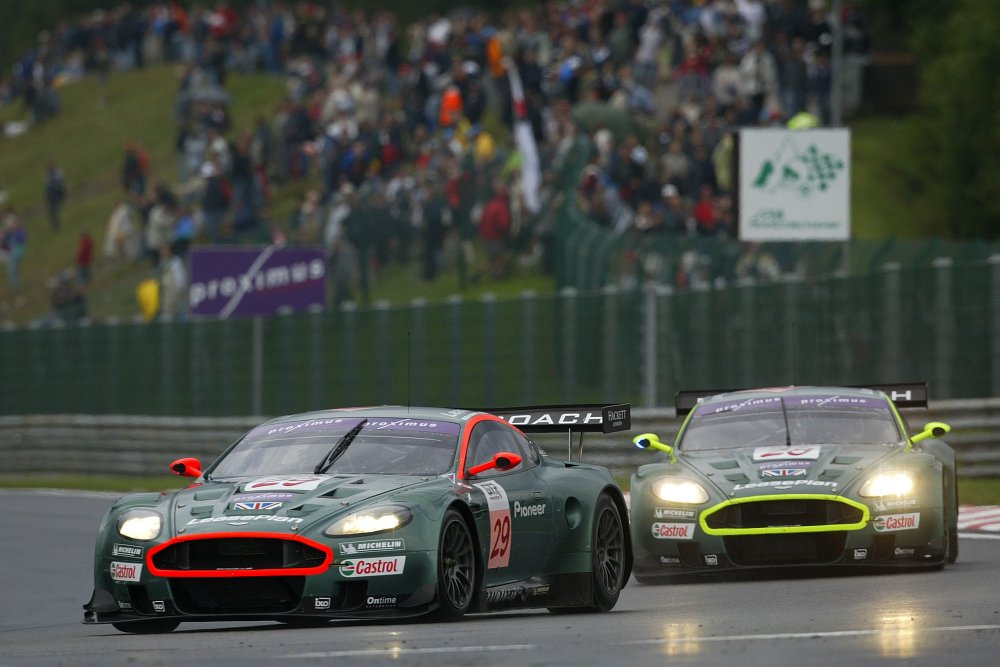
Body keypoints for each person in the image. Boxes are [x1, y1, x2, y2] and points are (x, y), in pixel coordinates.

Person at [158, 244, 187, 320]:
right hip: (166, 290)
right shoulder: (162, 263)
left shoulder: (176, 261)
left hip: (175, 289)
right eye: (162, 251)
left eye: (165, 251)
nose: (163, 253)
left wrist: (180, 288)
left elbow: (180, 275)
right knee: (167, 310)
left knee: (179, 309)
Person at [0, 206, 26, 288]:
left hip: (15, 252)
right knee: (12, 268)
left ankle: (15, 285)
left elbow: (21, 239)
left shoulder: (18, 232)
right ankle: (14, 284)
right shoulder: (10, 232)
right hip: (12, 252)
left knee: (13, 268)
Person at [44, 163, 67, 232]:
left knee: (54, 211)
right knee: (51, 212)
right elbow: (47, 186)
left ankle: (56, 225)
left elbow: (59, 184)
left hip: (55, 195)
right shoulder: (49, 175)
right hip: (51, 196)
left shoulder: (56, 174)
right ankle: (54, 225)